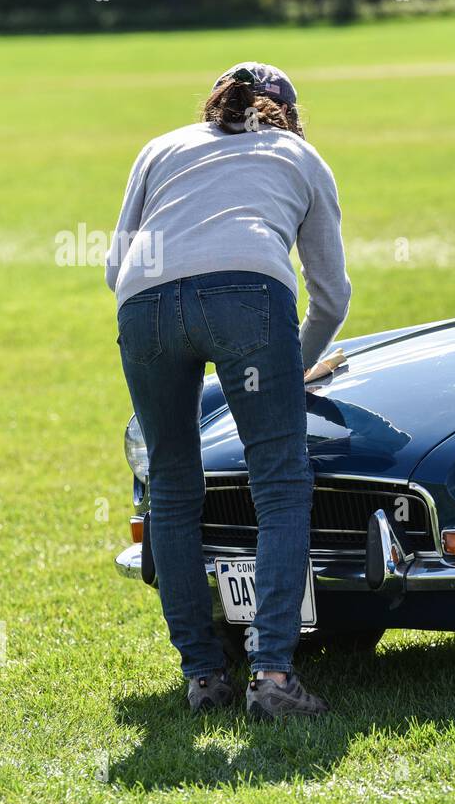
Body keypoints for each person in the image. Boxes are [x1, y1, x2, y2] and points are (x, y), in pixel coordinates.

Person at [106, 62, 351, 716]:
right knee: (280, 481)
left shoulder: (161, 147)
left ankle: (203, 676)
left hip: (143, 306)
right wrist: (293, 367)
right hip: (249, 294)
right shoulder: (299, 156)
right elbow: (332, 296)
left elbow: (115, 266)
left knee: (171, 486)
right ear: (290, 117)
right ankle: (271, 676)